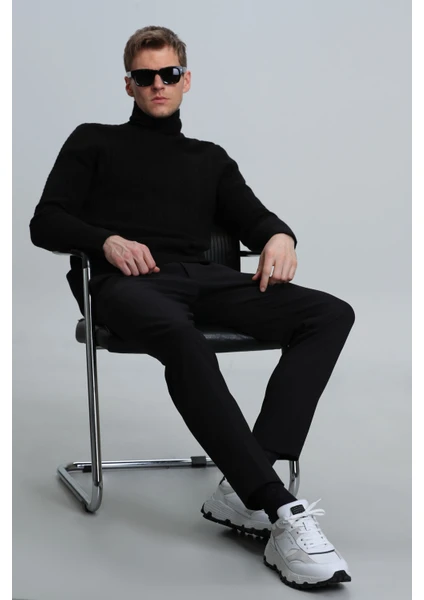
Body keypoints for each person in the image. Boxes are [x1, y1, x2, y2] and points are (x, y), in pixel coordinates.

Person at [29, 25, 355, 590]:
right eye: (145, 76)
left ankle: (246, 479)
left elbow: (256, 218)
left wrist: (280, 236)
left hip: (205, 281)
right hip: (126, 285)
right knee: (182, 339)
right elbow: (45, 221)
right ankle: (276, 506)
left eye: (169, 73)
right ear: (128, 84)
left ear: (186, 80)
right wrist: (105, 241)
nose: (158, 84)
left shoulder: (209, 159)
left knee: (329, 314)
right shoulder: (92, 142)